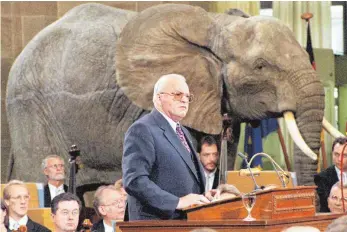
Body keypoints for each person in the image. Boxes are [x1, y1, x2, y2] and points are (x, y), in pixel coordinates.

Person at [122, 74, 210, 220]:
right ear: (158, 98)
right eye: (177, 94)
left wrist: (204, 196)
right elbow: (134, 180)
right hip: (156, 223)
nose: (184, 100)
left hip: (186, 221)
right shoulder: (143, 129)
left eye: (188, 96)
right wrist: (177, 202)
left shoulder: (184, 133)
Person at [314, 137, 347, 212]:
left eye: (344, 155)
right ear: (332, 154)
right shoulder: (321, 178)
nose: (339, 159)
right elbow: (325, 207)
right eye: (336, 154)